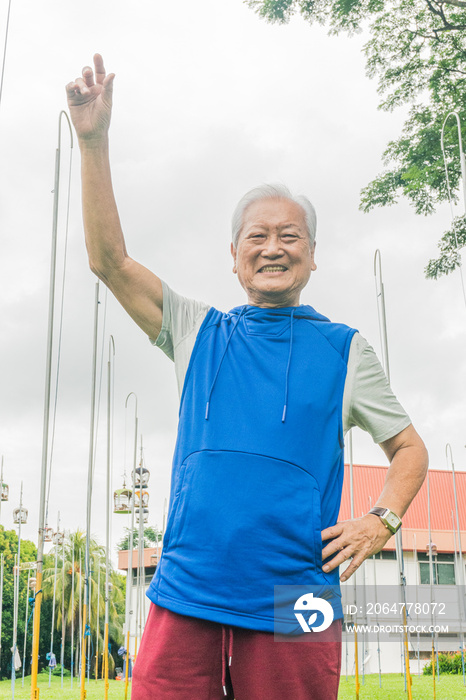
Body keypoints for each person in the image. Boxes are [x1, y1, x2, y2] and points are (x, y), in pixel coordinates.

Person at [66, 55, 428, 700]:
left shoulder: (346, 350)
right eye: (256, 236)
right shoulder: (195, 330)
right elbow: (110, 261)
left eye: (291, 236)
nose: (273, 247)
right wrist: (92, 141)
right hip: (189, 582)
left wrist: (382, 520)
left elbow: (408, 449)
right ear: (233, 258)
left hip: (298, 593)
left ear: (312, 257)